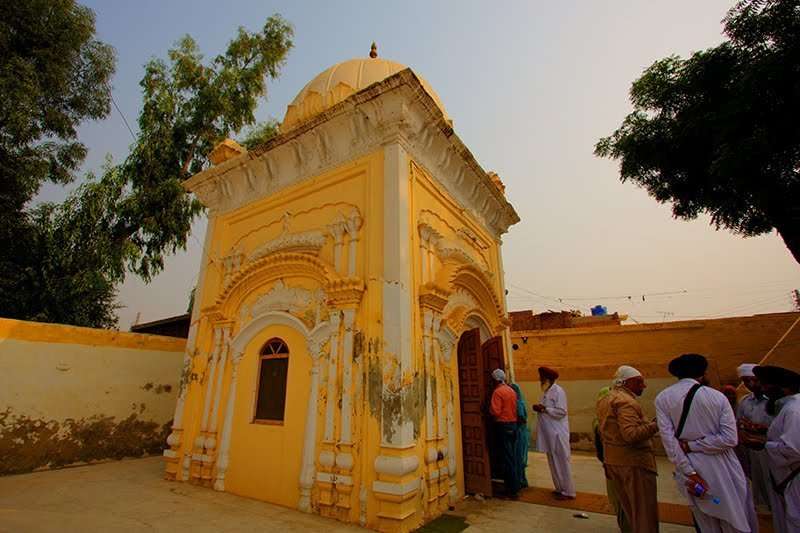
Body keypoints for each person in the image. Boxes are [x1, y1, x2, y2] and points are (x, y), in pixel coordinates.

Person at [655, 353, 757, 533]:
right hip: (722, 467)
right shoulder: (717, 397)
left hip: (691, 467)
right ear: (702, 373)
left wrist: (689, 471)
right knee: (733, 516)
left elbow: (669, 442)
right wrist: (695, 446)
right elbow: (730, 439)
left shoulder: (663, 398)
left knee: (706, 518)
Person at [597, 365, 660, 532]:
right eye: (639, 382)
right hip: (633, 463)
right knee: (643, 513)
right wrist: (655, 425)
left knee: (631, 511)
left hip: (615, 461)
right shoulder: (625, 402)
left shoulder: (605, 399)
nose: (643, 386)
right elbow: (631, 435)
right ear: (626, 382)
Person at [753, 365, 800, 533]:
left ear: (783, 388)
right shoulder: (789, 407)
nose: (763, 389)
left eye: (767, 385)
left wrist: (762, 444)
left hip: (795, 478)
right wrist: (763, 431)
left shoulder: (794, 410)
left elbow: (794, 450)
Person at [532, 366, 576, 500]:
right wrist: (541, 409)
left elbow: (561, 412)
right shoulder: (547, 392)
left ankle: (568, 491)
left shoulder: (558, 391)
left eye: (541, 377)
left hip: (558, 433)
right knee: (553, 461)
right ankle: (559, 488)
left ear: (547, 378)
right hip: (549, 433)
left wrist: (545, 409)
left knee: (562, 461)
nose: (540, 379)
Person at [594, 385, 633, 533]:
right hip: (616, 464)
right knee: (623, 498)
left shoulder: (602, 420)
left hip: (613, 463)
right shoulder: (603, 422)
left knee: (621, 498)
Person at [736, 363, 774, 509]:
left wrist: (762, 429)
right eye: (746, 381)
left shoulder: (773, 401)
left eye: (754, 380)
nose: (751, 384)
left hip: (771, 447)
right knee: (759, 479)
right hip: (753, 449)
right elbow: (740, 423)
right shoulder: (745, 402)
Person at [489, 368, 520, 498]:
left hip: (503, 425)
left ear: (495, 380)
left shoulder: (498, 392)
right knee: (511, 456)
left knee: (506, 458)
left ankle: (511, 490)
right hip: (513, 424)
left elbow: (495, 411)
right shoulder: (511, 391)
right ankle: (514, 486)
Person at [510, 382, 530, 489]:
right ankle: (522, 479)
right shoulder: (520, 402)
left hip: (519, 432)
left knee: (518, 456)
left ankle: (519, 480)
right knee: (520, 457)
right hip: (521, 431)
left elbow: (522, 417)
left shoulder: (518, 403)